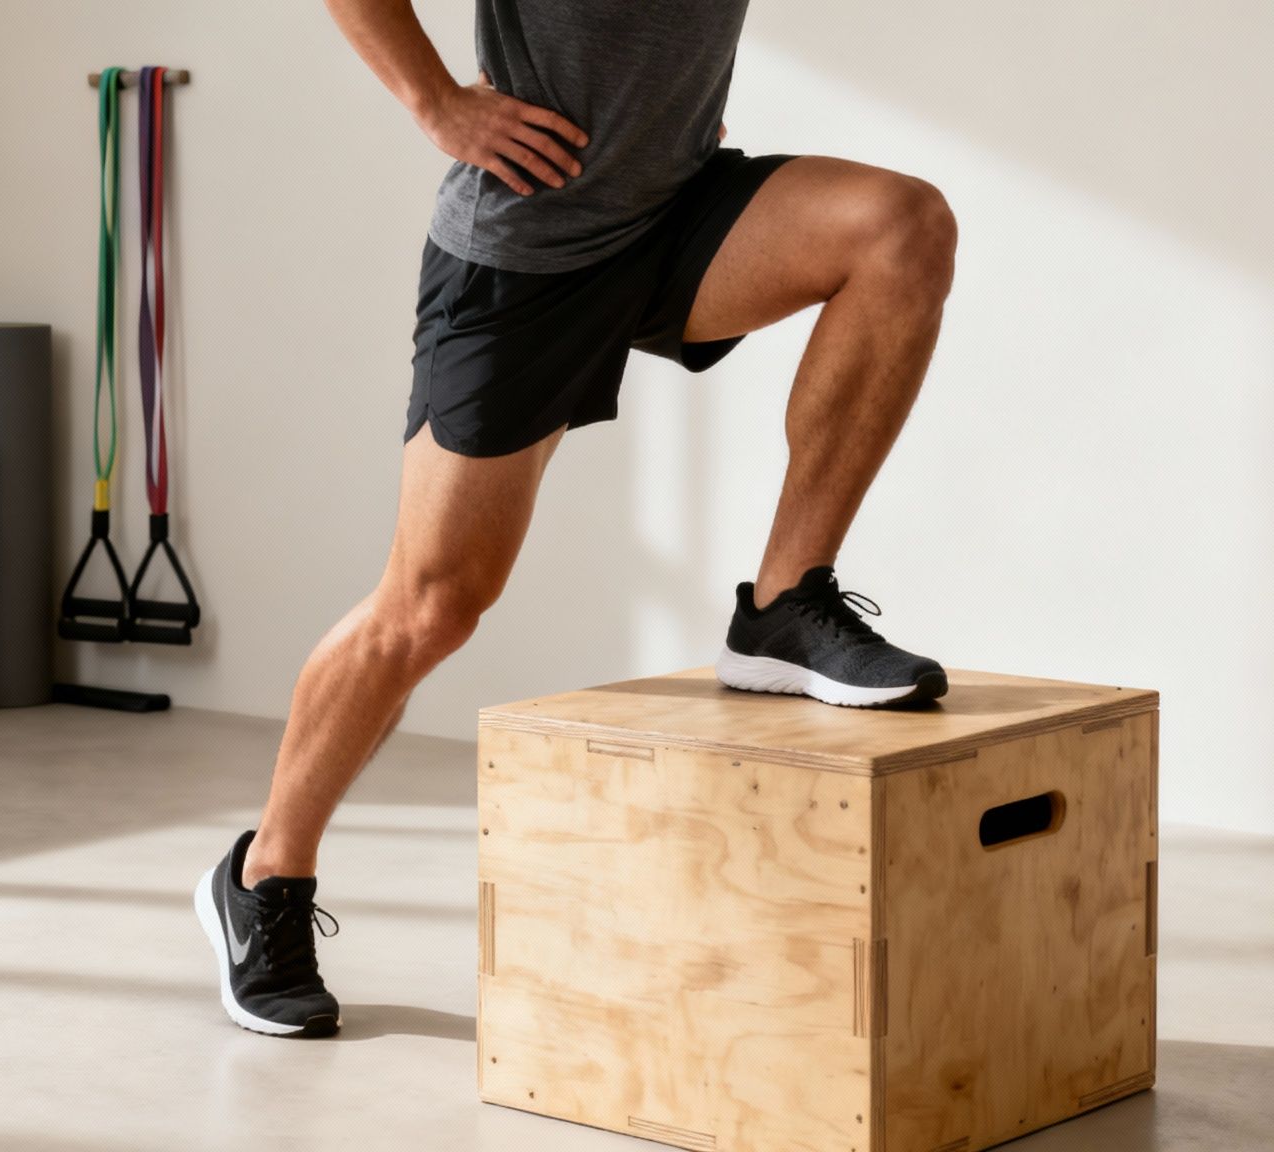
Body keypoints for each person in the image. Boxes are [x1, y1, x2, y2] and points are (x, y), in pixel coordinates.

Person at [196, 0, 958, 1038]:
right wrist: (437, 104)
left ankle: (783, 602)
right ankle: (264, 873)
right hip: (526, 247)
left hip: (678, 210)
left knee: (899, 225)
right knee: (432, 605)